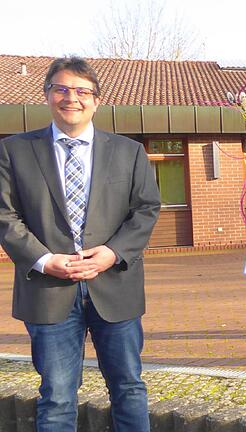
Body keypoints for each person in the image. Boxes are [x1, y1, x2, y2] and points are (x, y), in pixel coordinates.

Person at [0, 57, 161, 431]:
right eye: (62, 89)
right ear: (47, 95)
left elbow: (146, 209)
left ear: (96, 100)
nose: (72, 97)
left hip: (115, 288)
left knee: (129, 388)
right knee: (56, 396)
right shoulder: (14, 151)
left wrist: (112, 253)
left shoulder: (128, 151)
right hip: (48, 289)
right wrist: (43, 259)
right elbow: (4, 215)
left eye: (82, 91)